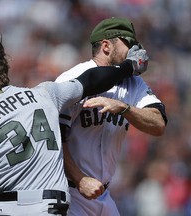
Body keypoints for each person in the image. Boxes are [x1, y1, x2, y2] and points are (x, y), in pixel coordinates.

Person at [0, 30, 148, 216]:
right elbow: (91, 80)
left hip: (6, 209)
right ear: (5, 64)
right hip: (49, 208)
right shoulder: (44, 95)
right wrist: (129, 66)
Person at [55, 17, 168, 216]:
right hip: (70, 191)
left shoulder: (133, 83)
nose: (136, 51)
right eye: (129, 44)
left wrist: (125, 108)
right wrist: (80, 179)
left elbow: (158, 124)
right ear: (106, 45)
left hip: (103, 195)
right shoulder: (73, 78)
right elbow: (53, 138)